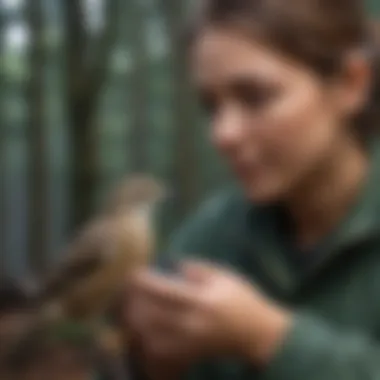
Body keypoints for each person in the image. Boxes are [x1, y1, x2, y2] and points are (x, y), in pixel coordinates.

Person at [125, 0, 380, 379]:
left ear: (350, 85)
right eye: (211, 107)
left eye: (256, 97)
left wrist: (269, 338)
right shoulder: (211, 239)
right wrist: (153, 364)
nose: (222, 134)